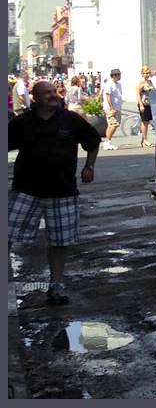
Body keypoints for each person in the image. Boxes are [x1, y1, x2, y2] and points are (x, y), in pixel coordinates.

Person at [8, 79, 101, 305]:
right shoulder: (23, 122)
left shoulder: (71, 120)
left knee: (60, 241)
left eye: (54, 92)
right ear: (35, 98)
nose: (53, 96)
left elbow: (93, 141)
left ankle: (56, 286)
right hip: (26, 190)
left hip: (63, 191)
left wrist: (89, 167)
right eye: (47, 93)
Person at [102, 68, 123, 150]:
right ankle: (108, 141)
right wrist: (112, 108)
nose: (119, 76)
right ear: (113, 76)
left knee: (111, 125)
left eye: (119, 74)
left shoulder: (118, 84)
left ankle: (107, 141)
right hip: (111, 108)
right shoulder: (109, 84)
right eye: (117, 75)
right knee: (114, 124)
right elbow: (108, 96)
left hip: (117, 107)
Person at [136, 65, 155, 147]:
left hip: (150, 104)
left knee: (148, 121)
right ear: (142, 74)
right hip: (144, 104)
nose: (147, 75)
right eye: (145, 73)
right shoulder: (141, 83)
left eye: (148, 73)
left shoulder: (150, 82)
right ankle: (144, 139)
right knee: (145, 122)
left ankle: (144, 139)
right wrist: (141, 105)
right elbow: (138, 94)